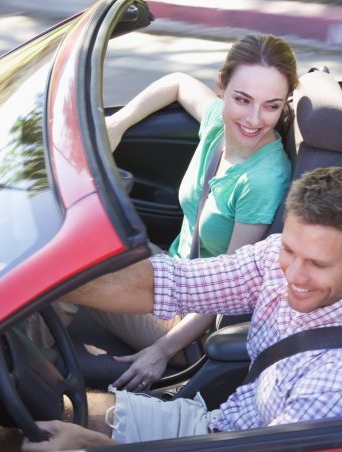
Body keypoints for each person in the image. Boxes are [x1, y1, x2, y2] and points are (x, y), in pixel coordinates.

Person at [24, 167, 342, 452]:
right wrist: (35, 281)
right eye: (290, 250)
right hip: (220, 428)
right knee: (45, 411)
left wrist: (94, 450)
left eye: (317, 264)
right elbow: (180, 282)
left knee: (38, 450)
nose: (293, 273)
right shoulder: (297, 258)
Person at [95, 33, 298, 391]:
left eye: (271, 105)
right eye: (242, 99)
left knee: (68, 279)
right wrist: (118, 123)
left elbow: (232, 287)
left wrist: (162, 349)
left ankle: (19, 379)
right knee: (79, 249)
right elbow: (176, 83)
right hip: (170, 273)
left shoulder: (263, 179)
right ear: (222, 87)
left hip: (189, 318)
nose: (254, 119)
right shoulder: (218, 124)